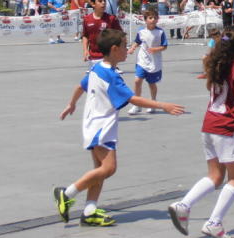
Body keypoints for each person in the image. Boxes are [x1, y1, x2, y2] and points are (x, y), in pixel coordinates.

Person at [54, 29, 184, 227]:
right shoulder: (111, 76)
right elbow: (132, 98)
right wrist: (162, 105)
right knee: (109, 168)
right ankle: (67, 193)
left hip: (96, 124)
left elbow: (80, 86)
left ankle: (89, 211)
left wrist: (71, 104)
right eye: (124, 46)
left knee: (99, 170)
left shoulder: (97, 67)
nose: (127, 50)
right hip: (100, 127)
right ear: (114, 49)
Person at [167, 25, 234, 238]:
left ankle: (184, 205)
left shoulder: (216, 64)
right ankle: (214, 222)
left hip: (209, 125)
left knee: (215, 176)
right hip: (226, 128)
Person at [127, 8, 168, 114]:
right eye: (150, 18)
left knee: (152, 84)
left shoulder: (160, 32)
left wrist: (155, 49)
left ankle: (153, 103)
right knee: (137, 81)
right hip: (142, 61)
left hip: (154, 63)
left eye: (155, 18)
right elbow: (137, 42)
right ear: (145, 20)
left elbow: (164, 46)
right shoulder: (141, 31)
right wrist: (132, 48)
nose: (153, 20)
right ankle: (137, 105)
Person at [82, 0, 122, 71]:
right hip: (93, 57)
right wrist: (85, 50)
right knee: (94, 81)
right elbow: (85, 36)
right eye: (100, 1)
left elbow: (120, 35)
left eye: (104, 1)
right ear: (93, 4)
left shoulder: (111, 19)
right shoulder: (87, 19)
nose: (103, 3)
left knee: (108, 81)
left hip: (108, 57)